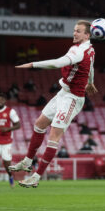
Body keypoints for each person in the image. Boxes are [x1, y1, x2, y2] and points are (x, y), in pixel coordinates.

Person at [9, 20, 98, 188]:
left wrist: (32, 64)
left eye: (78, 31)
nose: (74, 33)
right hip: (63, 93)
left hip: (72, 98)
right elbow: (91, 67)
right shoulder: (88, 48)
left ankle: (36, 177)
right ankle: (27, 162)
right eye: (74, 30)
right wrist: (91, 82)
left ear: (87, 35)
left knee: (54, 136)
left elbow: (57, 63)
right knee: (39, 124)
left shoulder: (80, 52)